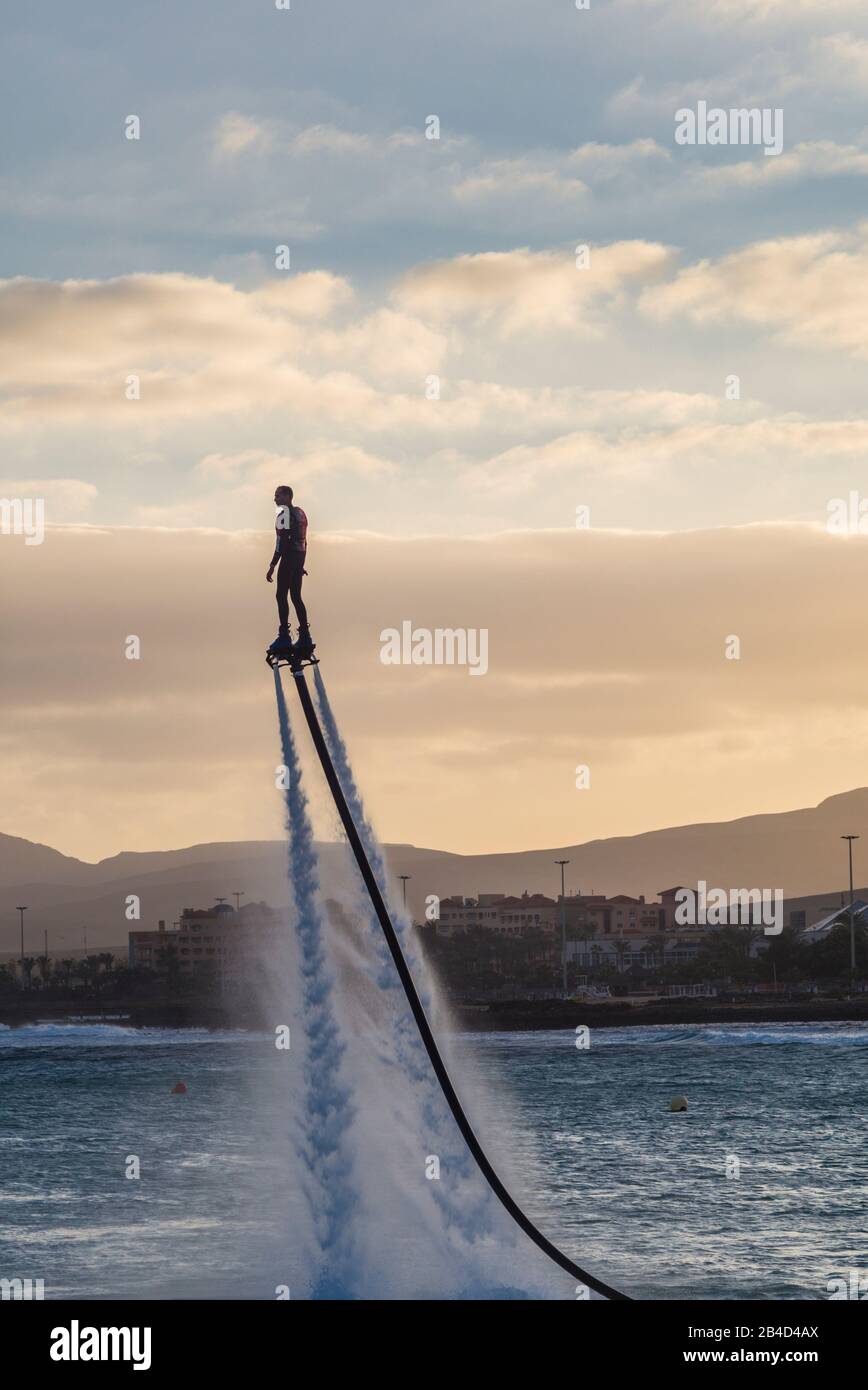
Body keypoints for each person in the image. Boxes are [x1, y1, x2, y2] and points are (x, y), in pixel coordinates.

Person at [266, 486, 314, 658]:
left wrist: (273, 564)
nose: (275, 499)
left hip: (288, 558)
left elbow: (281, 542)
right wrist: (300, 565)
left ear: (287, 496)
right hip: (299, 557)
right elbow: (304, 540)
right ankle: (305, 636)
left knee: (281, 596)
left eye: (277, 495)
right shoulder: (300, 513)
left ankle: (285, 636)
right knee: (296, 596)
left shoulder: (283, 515)